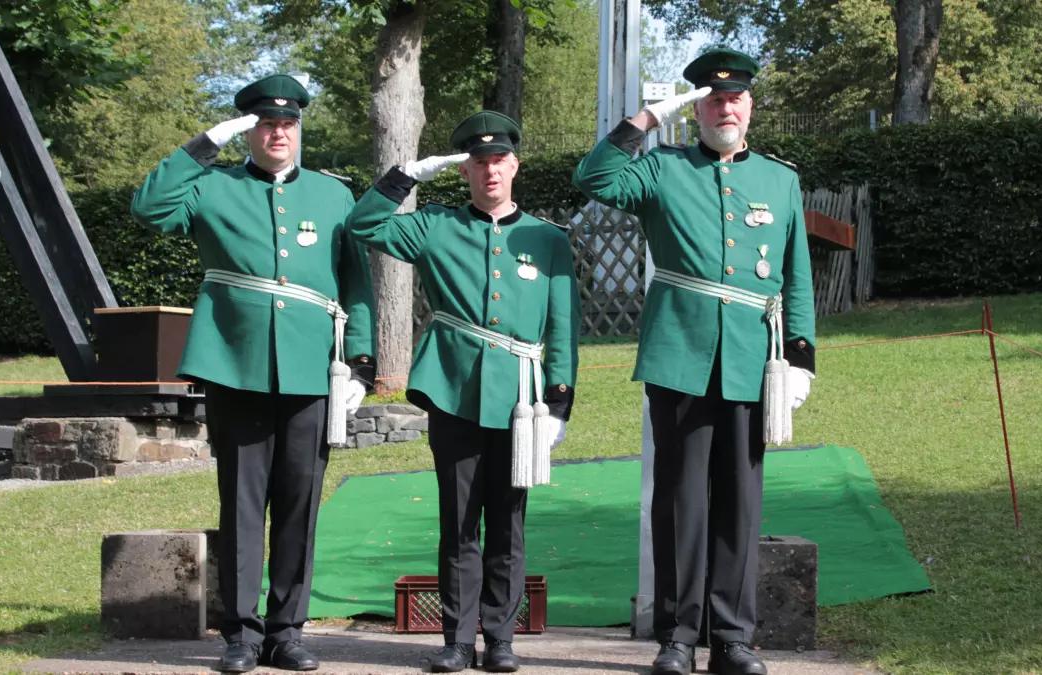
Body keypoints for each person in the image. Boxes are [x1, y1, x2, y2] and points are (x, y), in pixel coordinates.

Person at [572, 47, 816, 675]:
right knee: (681, 501)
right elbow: (594, 178)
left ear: (750, 107)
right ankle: (678, 636)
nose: (724, 107)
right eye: (711, 99)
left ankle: (733, 637)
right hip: (679, 353)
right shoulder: (662, 170)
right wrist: (647, 119)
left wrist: (801, 358)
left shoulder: (780, 180)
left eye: (734, 98)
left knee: (740, 501)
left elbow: (796, 278)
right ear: (697, 109)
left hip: (749, 359)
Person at [131, 74, 376, 673]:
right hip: (235, 363)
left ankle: (287, 631)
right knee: (242, 503)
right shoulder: (213, 187)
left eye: (288, 125)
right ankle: (239, 635)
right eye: (266, 125)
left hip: (311, 367)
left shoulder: (333, 195)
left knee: (300, 501)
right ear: (250, 131)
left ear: (299, 130)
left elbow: (356, 284)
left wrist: (361, 365)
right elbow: (149, 208)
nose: (278, 134)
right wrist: (204, 144)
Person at [347, 111, 579, 673]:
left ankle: (500, 637)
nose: (489, 170)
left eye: (498, 160)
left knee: (508, 522)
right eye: (478, 163)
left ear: (514, 165)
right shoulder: (435, 225)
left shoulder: (546, 240)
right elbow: (362, 226)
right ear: (465, 172)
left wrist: (560, 402)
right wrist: (406, 176)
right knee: (458, 520)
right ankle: (456, 639)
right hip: (454, 389)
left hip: (521, 401)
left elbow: (564, 327)